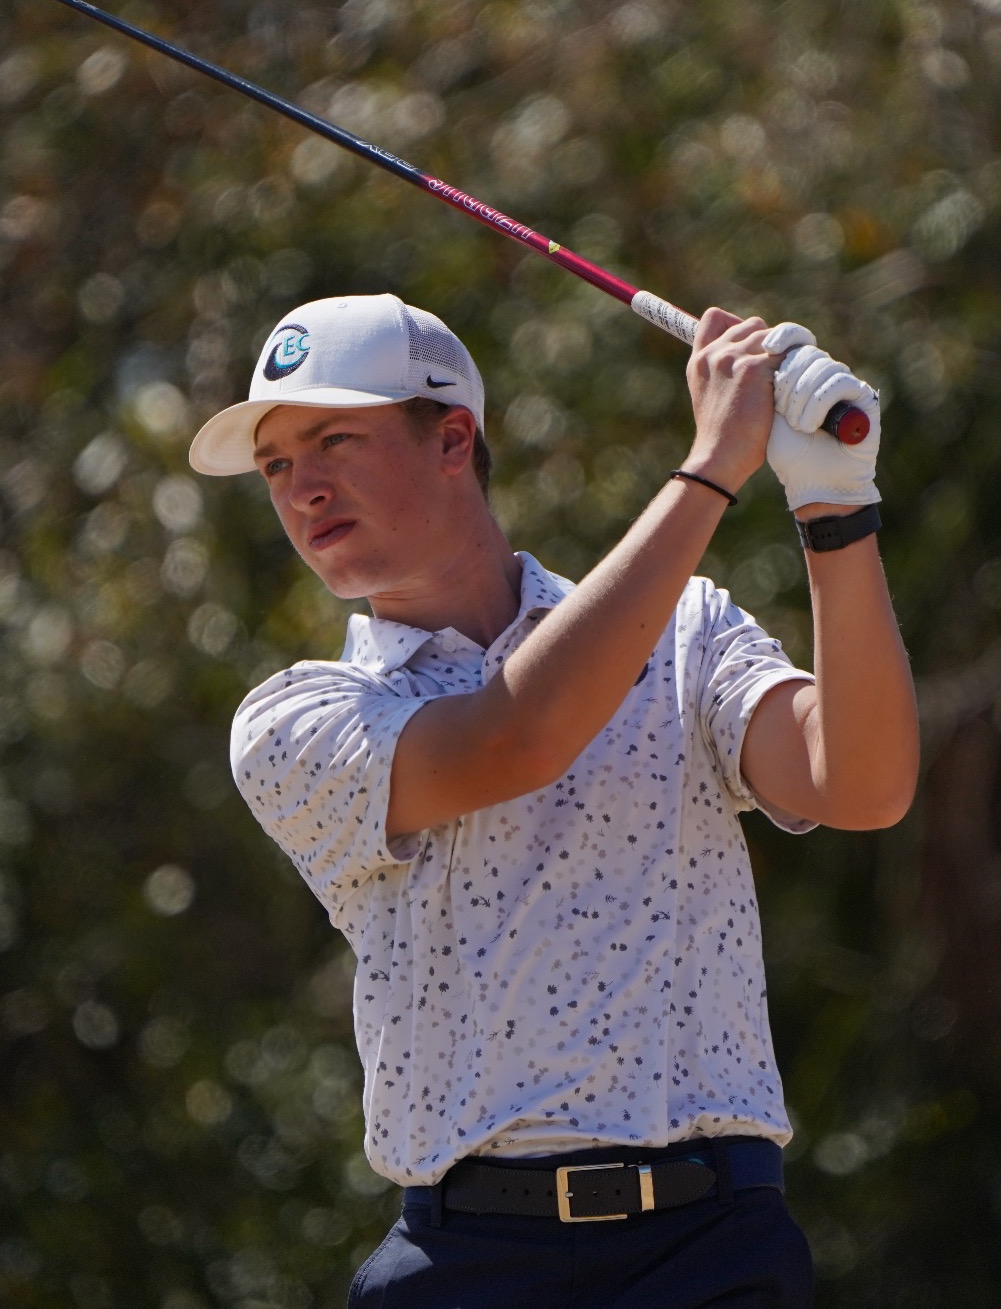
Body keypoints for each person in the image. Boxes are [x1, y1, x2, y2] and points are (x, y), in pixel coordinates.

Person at [191, 292, 918, 1307]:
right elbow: (516, 735)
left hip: (708, 1249)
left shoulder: (685, 628)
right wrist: (711, 467)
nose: (300, 487)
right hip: (467, 1264)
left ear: (452, 438)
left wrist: (835, 512)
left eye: (334, 441)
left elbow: (862, 783)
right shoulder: (296, 718)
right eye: (275, 465)